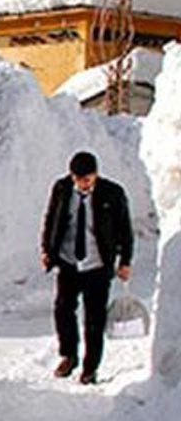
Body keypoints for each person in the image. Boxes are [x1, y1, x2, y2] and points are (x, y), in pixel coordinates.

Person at [40, 151, 133, 385]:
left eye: (89, 179)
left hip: (97, 264)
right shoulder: (62, 189)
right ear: (72, 176)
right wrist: (47, 250)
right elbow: (51, 219)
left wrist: (125, 261)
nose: (84, 184)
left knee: (94, 318)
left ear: (96, 175)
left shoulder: (112, 192)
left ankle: (90, 368)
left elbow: (125, 228)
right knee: (63, 310)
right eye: (79, 179)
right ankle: (69, 355)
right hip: (68, 261)